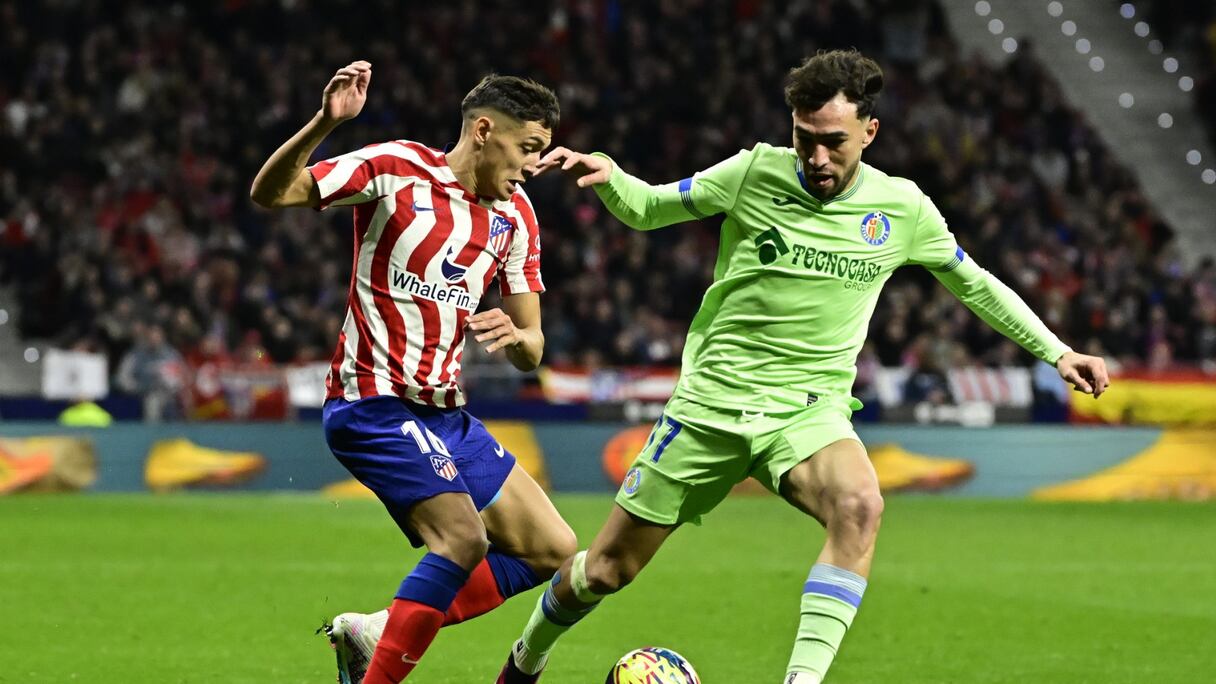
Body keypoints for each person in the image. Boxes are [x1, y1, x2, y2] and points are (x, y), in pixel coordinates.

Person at [497, 49, 1110, 684]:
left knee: (860, 506)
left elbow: (975, 284)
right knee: (604, 571)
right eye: (804, 139)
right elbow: (653, 207)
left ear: (870, 132)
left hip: (807, 412)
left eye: (833, 142)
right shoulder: (752, 172)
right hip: (711, 405)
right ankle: (525, 658)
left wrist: (1058, 352)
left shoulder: (902, 209)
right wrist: (612, 176)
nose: (816, 158)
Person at [250, 60, 576, 684]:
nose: (534, 165)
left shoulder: (518, 217)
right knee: (462, 538)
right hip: (370, 402)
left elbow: (534, 345)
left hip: (446, 415)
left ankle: (376, 631)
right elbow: (271, 194)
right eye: (528, 148)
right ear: (484, 130)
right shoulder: (397, 170)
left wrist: (518, 338)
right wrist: (325, 122)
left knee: (552, 550)